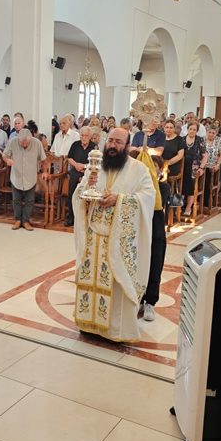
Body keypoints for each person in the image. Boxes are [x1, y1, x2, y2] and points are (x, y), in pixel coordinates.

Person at [73, 127, 155, 343]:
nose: (112, 145)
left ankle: (116, 330)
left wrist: (119, 199)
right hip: (93, 237)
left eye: (118, 142)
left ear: (127, 145)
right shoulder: (97, 165)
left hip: (118, 241)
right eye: (110, 140)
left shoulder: (139, 169)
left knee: (116, 283)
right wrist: (86, 190)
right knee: (90, 278)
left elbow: (148, 197)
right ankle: (88, 324)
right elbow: (79, 193)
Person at [139, 156, 169, 322]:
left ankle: (150, 301)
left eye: (154, 166)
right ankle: (139, 298)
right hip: (141, 229)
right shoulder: (139, 188)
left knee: (154, 264)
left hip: (156, 232)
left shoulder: (163, 187)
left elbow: (157, 203)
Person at [3, 127, 48, 230]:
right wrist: (7, 160)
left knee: (30, 200)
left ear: (30, 139)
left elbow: (44, 159)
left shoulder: (37, 143)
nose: (24, 145)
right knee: (16, 200)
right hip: (16, 176)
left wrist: (45, 171)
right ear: (18, 139)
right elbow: (4, 155)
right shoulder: (13, 142)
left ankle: (26, 221)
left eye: (26, 143)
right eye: (22, 143)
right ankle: (18, 220)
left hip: (30, 176)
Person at [65, 126, 95, 227]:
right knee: (71, 194)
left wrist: (84, 166)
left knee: (85, 196)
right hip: (75, 171)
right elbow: (69, 158)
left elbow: (94, 162)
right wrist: (76, 165)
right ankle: (71, 218)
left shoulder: (94, 147)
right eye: (82, 135)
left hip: (87, 174)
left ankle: (84, 220)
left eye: (86, 135)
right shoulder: (75, 144)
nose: (84, 137)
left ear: (90, 136)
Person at [182, 120, 207, 217]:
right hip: (182, 167)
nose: (192, 131)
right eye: (190, 129)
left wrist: (201, 168)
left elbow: (205, 156)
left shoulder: (199, 140)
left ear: (197, 131)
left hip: (194, 169)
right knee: (178, 187)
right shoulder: (182, 139)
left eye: (194, 129)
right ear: (187, 129)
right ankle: (177, 207)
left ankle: (188, 208)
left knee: (190, 188)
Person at [204, 124, 221, 206]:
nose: (211, 134)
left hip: (213, 166)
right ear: (207, 132)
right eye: (209, 132)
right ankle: (200, 199)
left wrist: (217, 164)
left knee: (209, 182)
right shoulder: (202, 139)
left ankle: (208, 201)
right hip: (202, 165)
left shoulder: (218, 140)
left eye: (213, 133)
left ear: (216, 133)